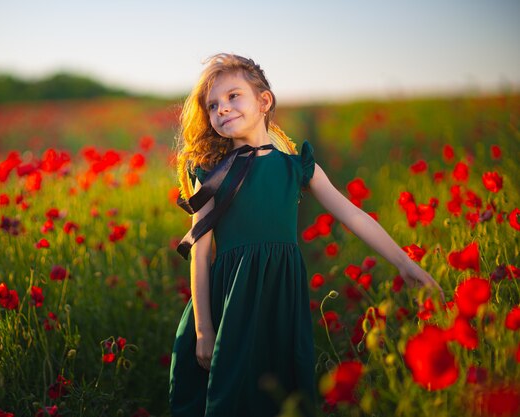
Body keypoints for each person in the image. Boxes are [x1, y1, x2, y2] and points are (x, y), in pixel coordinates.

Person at [168, 53, 444, 417]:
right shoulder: (212, 173)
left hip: (280, 295)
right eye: (213, 105)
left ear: (263, 101)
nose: (222, 109)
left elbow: (354, 215)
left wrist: (405, 264)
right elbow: (200, 253)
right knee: (231, 392)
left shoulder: (295, 166)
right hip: (230, 299)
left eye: (234, 96)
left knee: (279, 393)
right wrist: (204, 329)